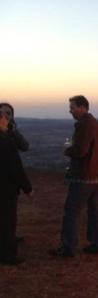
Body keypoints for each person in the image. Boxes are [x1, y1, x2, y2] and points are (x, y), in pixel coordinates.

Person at [49, 95, 98, 257]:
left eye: (73, 107)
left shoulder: (84, 125)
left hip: (85, 176)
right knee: (94, 210)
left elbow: (81, 151)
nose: (70, 110)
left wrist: (68, 149)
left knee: (72, 211)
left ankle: (68, 247)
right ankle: (97, 243)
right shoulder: (96, 124)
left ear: (83, 107)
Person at [0, 106, 32, 265]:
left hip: (8, 181)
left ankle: (9, 239)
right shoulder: (5, 139)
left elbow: (25, 146)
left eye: (8, 114)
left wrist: (11, 131)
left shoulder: (10, 133)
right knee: (7, 217)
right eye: (2, 114)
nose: (5, 116)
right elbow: (15, 166)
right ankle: (7, 252)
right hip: (7, 183)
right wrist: (27, 187)